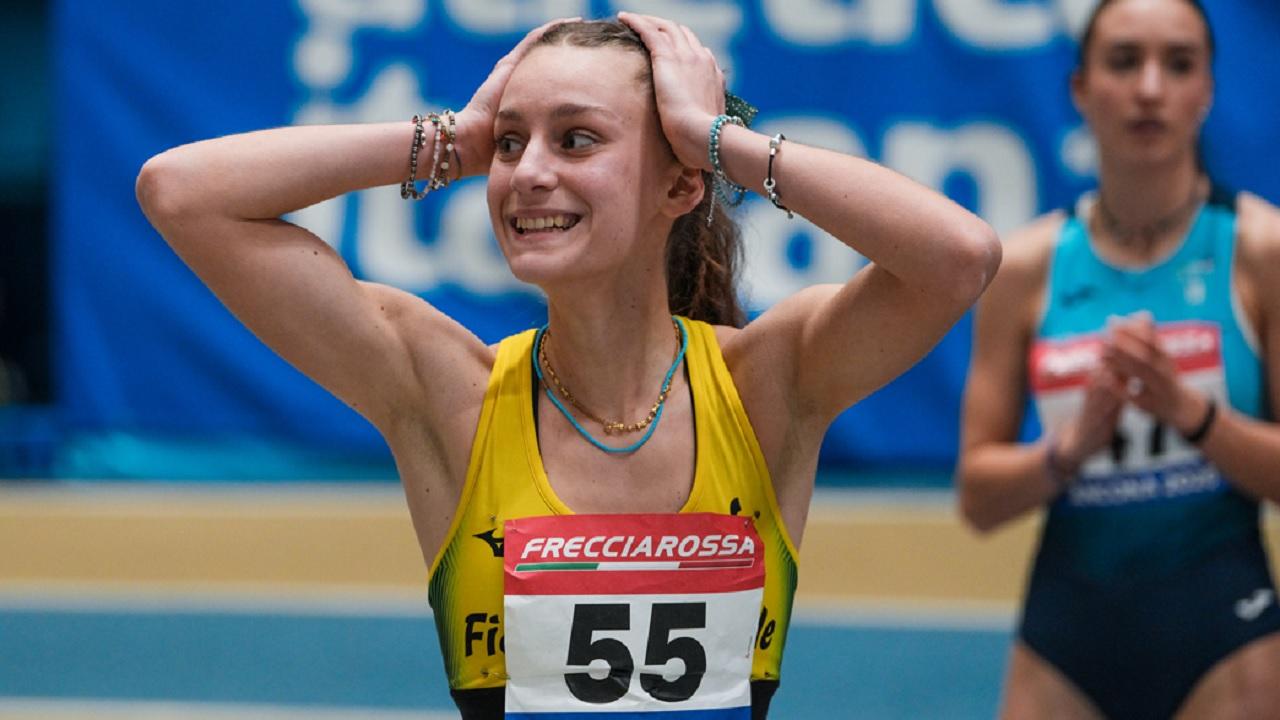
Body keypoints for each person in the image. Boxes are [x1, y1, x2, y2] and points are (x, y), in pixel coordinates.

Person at [137, 13, 999, 719]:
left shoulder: (765, 386)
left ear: (679, 186)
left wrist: (715, 139)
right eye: (513, 145)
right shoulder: (449, 395)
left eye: (577, 139)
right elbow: (180, 192)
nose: (529, 173)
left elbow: (958, 255)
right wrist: (453, 139)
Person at [956, 1, 1280, 718]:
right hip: (1065, 638)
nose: (1151, 88)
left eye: (1180, 64)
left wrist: (1192, 416)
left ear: (1209, 91)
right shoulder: (1026, 269)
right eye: (1125, 61)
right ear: (1080, 88)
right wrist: (1069, 450)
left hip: (1227, 629)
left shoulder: (1261, 253)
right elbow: (977, 498)